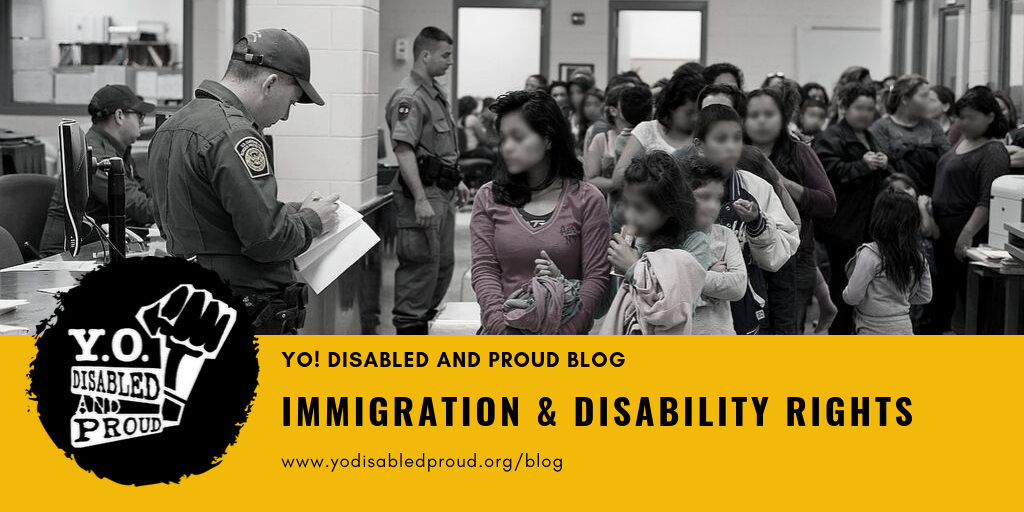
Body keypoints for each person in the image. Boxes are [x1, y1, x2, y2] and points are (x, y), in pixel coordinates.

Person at [148, 29, 339, 335]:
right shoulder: (234, 133)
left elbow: (201, 213)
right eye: (290, 102)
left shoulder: (173, 125)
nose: (286, 116)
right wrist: (313, 221)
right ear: (270, 84)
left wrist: (289, 211)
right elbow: (268, 240)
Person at [470, 90, 609, 335]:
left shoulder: (586, 199)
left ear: (547, 139)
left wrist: (565, 335)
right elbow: (484, 271)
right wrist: (501, 330)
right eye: (504, 138)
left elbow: (595, 279)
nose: (507, 148)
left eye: (518, 137)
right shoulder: (488, 197)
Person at [385, 26, 470, 335]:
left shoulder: (434, 93)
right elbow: (404, 150)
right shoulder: (410, 96)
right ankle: (410, 333)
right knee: (420, 269)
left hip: (440, 191)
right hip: (420, 194)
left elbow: (438, 148)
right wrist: (420, 199)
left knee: (441, 266)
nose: (450, 61)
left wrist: (455, 179)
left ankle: (423, 324)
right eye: (445, 55)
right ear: (425, 54)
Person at [692, 104, 800, 334]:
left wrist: (756, 224)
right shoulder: (678, 186)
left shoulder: (755, 187)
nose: (731, 147)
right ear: (699, 146)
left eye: (737, 138)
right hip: (692, 313)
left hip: (745, 307)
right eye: (721, 139)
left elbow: (781, 255)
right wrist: (708, 272)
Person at [745, 88, 836, 333]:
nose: (762, 121)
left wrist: (780, 181)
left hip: (794, 257)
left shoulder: (799, 151)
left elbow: (828, 203)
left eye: (769, 114)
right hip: (746, 260)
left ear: (782, 118)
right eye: (754, 115)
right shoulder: (736, 151)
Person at [929, 86, 1012, 334]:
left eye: (971, 118)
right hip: (943, 232)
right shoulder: (964, 141)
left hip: (968, 234)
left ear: (990, 117)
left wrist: (966, 234)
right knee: (942, 301)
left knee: (974, 302)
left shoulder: (993, 151)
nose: (963, 123)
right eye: (961, 117)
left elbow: (989, 198)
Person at [40, 84, 156, 256]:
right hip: (66, 254)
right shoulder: (96, 155)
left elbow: (142, 193)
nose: (142, 122)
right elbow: (139, 208)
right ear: (119, 116)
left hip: (96, 245)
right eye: (139, 116)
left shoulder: (117, 148)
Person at [813, 83, 891, 335]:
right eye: (859, 108)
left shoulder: (871, 136)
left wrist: (885, 164)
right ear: (844, 107)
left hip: (867, 224)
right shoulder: (830, 137)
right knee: (842, 284)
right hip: (842, 225)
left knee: (863, 285)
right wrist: (861, 165)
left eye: (870, 108)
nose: (865, 113)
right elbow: (827, 175)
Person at [600, 152, 707, 335]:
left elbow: (673, 309)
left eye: (640, 208)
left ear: (668, 209)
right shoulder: (634, 237)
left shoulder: (694, 243)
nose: (630, 215)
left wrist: (633, 268)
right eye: (627, 204)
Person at [595, 72, 705, 194]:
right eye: (689, 112)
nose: (695, 118)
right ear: (671, 107)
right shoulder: (647, 131)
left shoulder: (703, 134)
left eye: (699, 111)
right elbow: (619, 178)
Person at [842, 189, 932, 335]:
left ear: (878, 218)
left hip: (871, 329)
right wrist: (899, 301)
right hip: (904, 328)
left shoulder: (870, 254)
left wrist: (845, 294)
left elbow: (852, 296)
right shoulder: (917, 256)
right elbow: (925, 296)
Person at [682, 156, 747, 335]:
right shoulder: (667, 237)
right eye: (703, 197)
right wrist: (713, 278)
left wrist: (691, 279)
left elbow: (738, 286)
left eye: (717, 198)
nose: (712, 206)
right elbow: (664, 290)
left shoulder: (725, 235)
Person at [870, 74, 949, 195]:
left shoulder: (933, 126)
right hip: (896, 198)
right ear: (905, 99)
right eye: (924, 96)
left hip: (930, 195)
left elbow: (946, 161)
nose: (929, 101)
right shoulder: (881, 128)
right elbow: (883, 170)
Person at [584, 84, 649, 181]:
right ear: (613, 111)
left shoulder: (646, 134)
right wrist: (612, 181)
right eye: (625, 103)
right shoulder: (601, 139)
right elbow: (591, 179)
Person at [578, 88, 606, 156]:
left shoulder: (602, 127)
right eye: (587, 105)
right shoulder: (582, 127)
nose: (592, 109)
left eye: (597, 104)